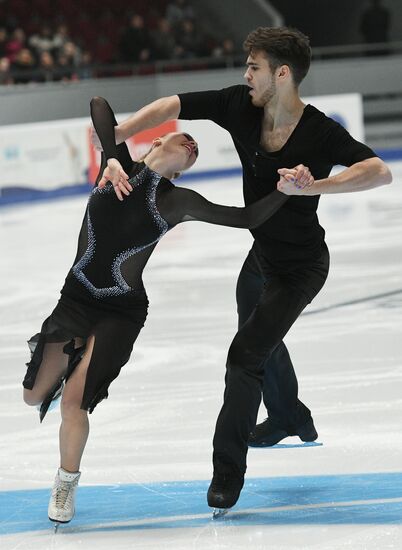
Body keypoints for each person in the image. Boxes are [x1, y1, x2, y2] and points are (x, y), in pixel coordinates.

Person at [93, 26, 392, 511]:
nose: (244, 74)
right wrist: (122, 136)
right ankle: (290, 416)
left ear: (281, 74)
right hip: (260, 258)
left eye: (253, 67)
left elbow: (379, 170)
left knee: (244, 355)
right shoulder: (238, 105)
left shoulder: (319, 131)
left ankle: (226, 474)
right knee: (257, 335)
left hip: (300, 268)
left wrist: (314, 187)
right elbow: (171, 103)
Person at [22, 96, 292, 524]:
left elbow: (245, 218)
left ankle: (65, 484)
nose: (191, 144)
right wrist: (112, 156)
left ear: (183, 170)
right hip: (76, 298)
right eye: (185, 138)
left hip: (121, 312)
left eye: (195, 150)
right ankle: (73, 363)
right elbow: (98, 105)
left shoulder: (177, 200)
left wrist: (283, 191)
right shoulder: (117, 170)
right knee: (33, 394)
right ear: (155, 143)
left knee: (74, 404)